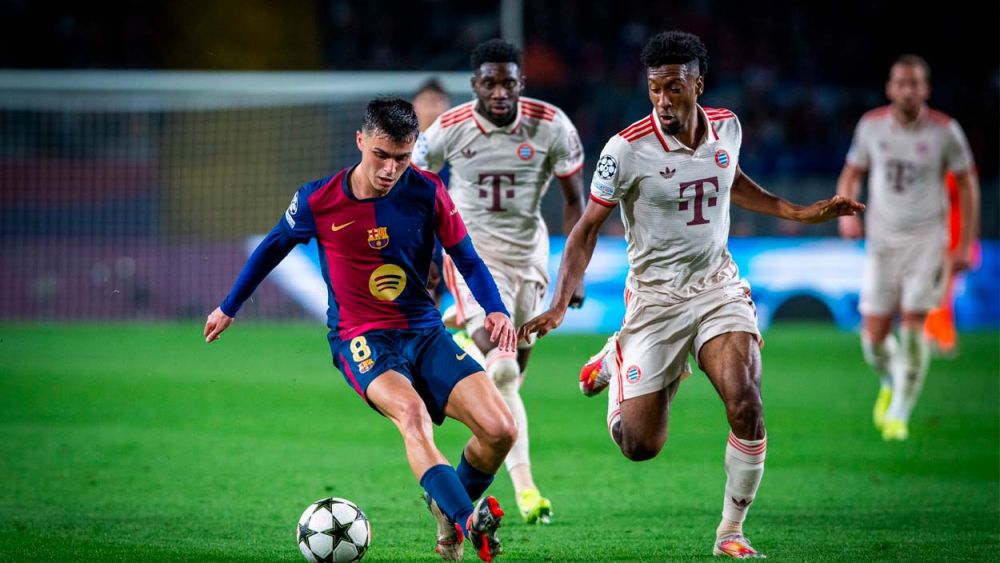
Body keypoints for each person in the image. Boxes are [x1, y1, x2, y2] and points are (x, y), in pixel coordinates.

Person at [519, 31, 864, 559]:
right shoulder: (624, 149)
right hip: (655, 301)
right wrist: (562, 302)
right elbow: (587, 228)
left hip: (717, 286)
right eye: (654, 88)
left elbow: (732, 181)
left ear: (697, 85)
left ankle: (731, 531)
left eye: (674, 87)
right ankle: (616, 354)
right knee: (639, 446)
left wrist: (798, 212)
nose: (663, 100)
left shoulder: (728, 126)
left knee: (746, 401)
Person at [204, 97, 519, 562]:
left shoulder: (429, 191)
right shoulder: (318, 198)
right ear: (361, 141)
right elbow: (274, 245)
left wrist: (496, 309)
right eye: (381, 155)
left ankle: (446, 509)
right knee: (411, 416)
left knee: (500, 430)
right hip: (362, 338)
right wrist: (229, 306)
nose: (391, 169)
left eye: (402, 158)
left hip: (424, 331)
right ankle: (466, 521)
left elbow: (466, 256)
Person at [415, 38, 586, 525]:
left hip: (530, 258)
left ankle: (466, 331)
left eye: (508, 81)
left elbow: (577, 201)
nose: (499, 91)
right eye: (489, 82)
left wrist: (575, 273)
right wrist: (428, 261)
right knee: (504, 370)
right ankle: (526, 489)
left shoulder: (552, 125)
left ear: (521, 83)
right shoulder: (447, 130)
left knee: (513, 375)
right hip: (471, 256)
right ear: (474, 86)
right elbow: (417, 193)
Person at [836, 55, 979, 441]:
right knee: (874, 338)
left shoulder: (945, 131)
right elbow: (852, 172)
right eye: (901, 83)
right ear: (890, 88)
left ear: (925, 89)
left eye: (915, 83)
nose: (908, 90)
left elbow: (967, 185)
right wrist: (846, 212)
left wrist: (964, 241)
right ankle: (890, 380)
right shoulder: (871, 126)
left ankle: (900, 411)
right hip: (882, 243)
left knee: (915, 324)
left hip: (927, 242)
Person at [923, 169, 980, 357]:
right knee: (941, 290)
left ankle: (938, 336)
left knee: (941, 290)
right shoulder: (958, 169)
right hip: (947, 234)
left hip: (949, 236)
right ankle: (936, 334)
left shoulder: (951, 172)